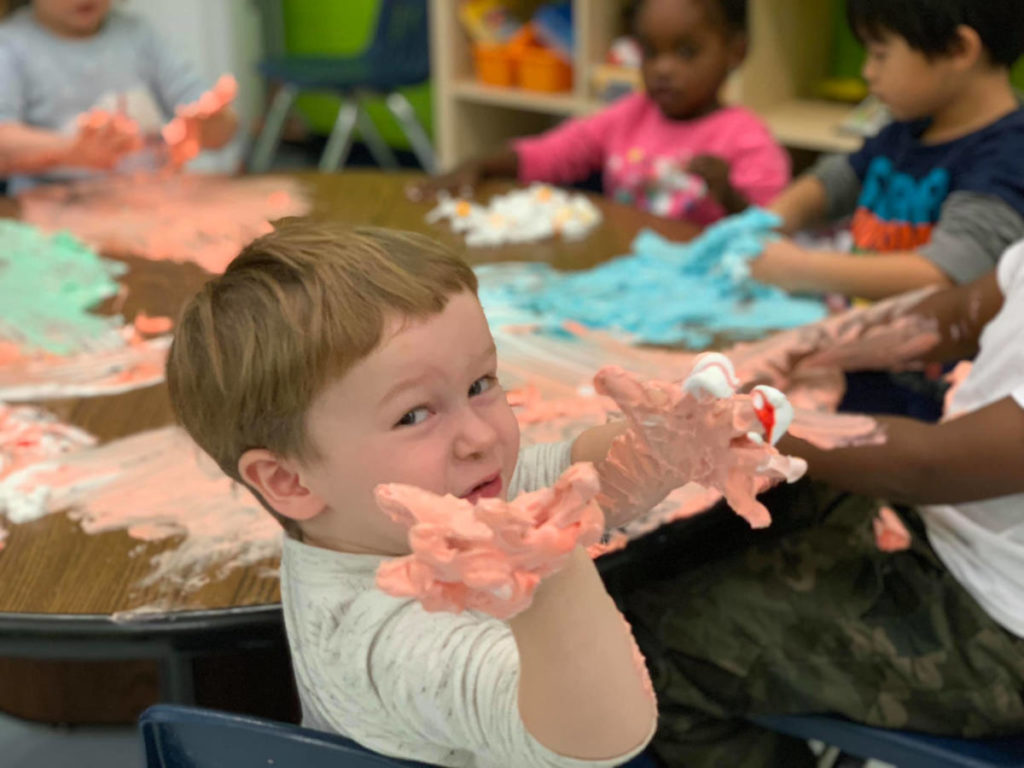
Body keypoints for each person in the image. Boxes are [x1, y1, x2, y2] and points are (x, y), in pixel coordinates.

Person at [165, 223, 663, 767]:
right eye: (415, 415)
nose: (481, 437)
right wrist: (552, 574)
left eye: (480, 384)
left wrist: (664, 443)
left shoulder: (392, 514)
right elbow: (600, 738)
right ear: (291, 481)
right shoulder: (383, 638)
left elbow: (563, 476)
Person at [617, 245, 1024, 766]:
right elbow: (960, 313)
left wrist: (742, 417)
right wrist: (807, 350)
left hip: (994, 629)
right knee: (661, 562)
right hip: (947, 533)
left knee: (643, 652)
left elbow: (931, 467)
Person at [412, 0, 789, 226]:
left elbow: (771, 232)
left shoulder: (747, 139)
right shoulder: (628, 116)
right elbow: (552, 153)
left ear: (735, 52)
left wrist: (730, 196)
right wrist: (481, 164)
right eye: (651, 52)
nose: (663, 68)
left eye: (686, 52)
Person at [751, 0, 1024, 301]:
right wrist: (768, 222)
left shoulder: (1009, 155)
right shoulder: (911, 125)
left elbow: (945, 274)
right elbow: (832, 183)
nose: (867, 72)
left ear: (958, 49)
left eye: (880, 54)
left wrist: (801, 269)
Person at [0, 0, 238, 187]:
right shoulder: (10, 45)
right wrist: (72, 151)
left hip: (152, 197)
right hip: (48, 208)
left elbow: (221, 129)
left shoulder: (139, 34)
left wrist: (210, 124)